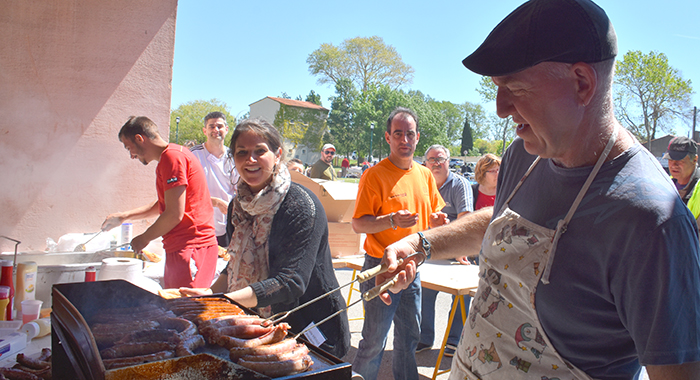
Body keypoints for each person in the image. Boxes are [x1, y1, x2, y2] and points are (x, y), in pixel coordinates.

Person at [376, 1, 700, 379]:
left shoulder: (651, 220)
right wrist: (422, 245)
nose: (500, 107)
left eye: (514, 87)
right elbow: (500, 223)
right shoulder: (525, 154)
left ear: (582, 83)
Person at [180, 118, 350, 359]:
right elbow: (235, 262)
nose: (250, 159)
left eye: (260, 151)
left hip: (312, 328)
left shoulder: (301, 205)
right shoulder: (237, 206)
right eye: (242, 152)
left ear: (277, 154)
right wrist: (211, 294)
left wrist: (225, 300)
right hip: (258, 327)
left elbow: (291, 281)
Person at [351, 107, 446, 380]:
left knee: (409, 340)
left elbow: (431, 217)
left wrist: (438, 221)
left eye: (410, 134)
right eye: (398, 134)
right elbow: (359, 224)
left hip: (413, 269)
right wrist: (391, 220)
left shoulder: (425, 174)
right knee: (374, 342)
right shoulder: (374, 176)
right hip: (381, 269)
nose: (405, 140)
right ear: (387, 137)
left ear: (418, 138)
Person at [102, 116, 219, 289]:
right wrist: (124, 217)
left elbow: (173, 215)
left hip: (191, 248)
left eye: (129, 148)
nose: (131, 156)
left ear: (140, 138)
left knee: (184, 310)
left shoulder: (172, 157)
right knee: (177, 307)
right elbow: (164, 205)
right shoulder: (173, 155)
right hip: (187, 247)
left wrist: (144, 238)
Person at [418, 144, 473, 357]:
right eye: (432, 159)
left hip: (459, 246)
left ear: (448, 161)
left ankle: (453, 341)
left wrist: (458, 246)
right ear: (426, 163)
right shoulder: (423, 183)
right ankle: (424, 338)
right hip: (431, 248)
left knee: (461, 295)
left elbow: (466, 220)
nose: (436, 163)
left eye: (440, 159)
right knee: (424, 291)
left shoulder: (459, 184)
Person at [190, 111, 239, 248]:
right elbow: (187, 194)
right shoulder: (194, 155)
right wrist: (215, 202)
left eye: (219, 126)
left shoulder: (234, 157)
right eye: (211, 126)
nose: (216, 130)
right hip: (199, 227)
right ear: (205, 131)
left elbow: (240, 189)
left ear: (227, 129)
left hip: (228, 226)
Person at [663, 136, 700, 224]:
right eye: (670, 159)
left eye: (680, 160)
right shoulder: (664, 183)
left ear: (694, 159)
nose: (673, 165)